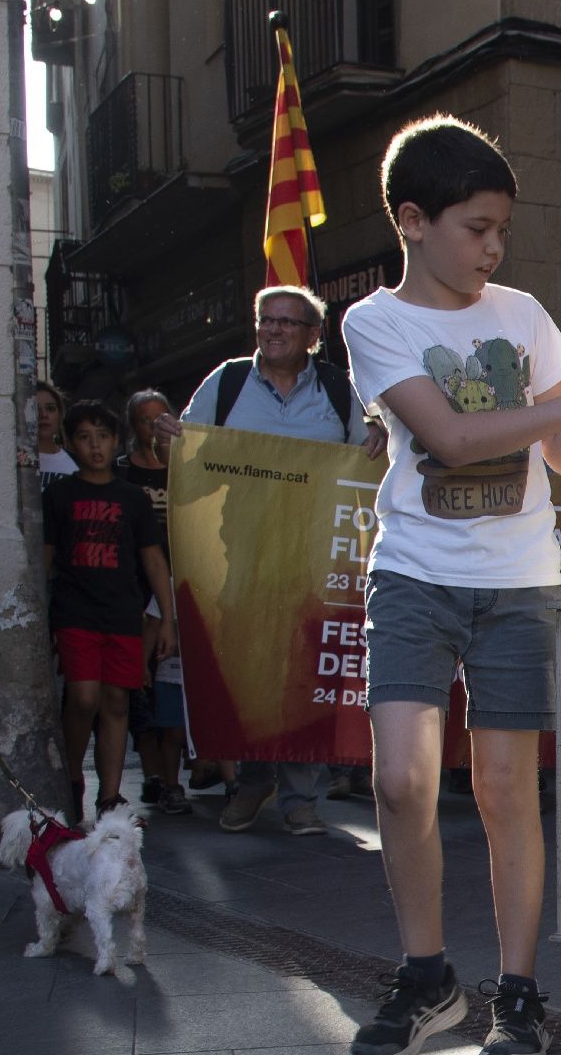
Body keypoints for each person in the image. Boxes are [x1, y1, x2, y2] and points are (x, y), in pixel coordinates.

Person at [339, 114, 561, 1055]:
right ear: (412, 221)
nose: (493, 248)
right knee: (400, 779)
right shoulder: (375, 321)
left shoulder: (519, 313)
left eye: (501, 231)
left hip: (519, 582)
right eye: (476, 228)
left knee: (508, 788)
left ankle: (518, 994)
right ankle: (429, 973)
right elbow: (453, 439)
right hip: (414, 576)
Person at [154, 285, 385, 837]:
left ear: (312, 335)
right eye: (266, 320)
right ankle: (253, 781)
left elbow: (367, 461)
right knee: (247, 665)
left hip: (311, 560)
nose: (274, 330)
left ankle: (301, 797)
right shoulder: (227, 382)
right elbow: (189, 457)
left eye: (287, 322)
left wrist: (377, 433)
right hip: (246, 555)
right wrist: (171, 443)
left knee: (304, 669)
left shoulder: (335, 388)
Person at [43, 401, 176, 819]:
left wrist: (167, 620)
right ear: (70, 442)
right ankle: (71, 777)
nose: (95, 446)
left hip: (123, 613)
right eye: (84, 437)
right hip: (74, 610)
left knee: (117, 701)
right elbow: (45, 561)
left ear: (116, 441)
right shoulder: (59, 495)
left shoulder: (132, 498)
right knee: (82, 698)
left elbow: (154, 561)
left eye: (102, 437)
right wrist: (43, 617)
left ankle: (110, 794)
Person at [115, 388, 183, 814]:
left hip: (178, 587)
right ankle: (154, 774)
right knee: (137, 686)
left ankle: (177, 777)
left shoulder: (186, 469)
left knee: (173, 686)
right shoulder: (122, 473)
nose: (154, 426)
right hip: (131, 590)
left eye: (163, 417)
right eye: (145, 419)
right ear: (132, 426)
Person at [35, 382, 77, 494]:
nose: (43, 415)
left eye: (50, 408)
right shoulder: (13, 461)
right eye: (34, 408)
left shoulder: (78, 462)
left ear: (60, 415)